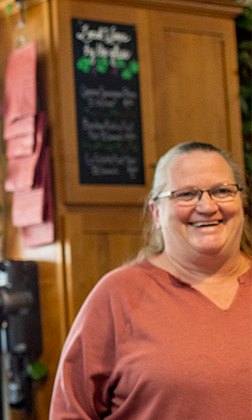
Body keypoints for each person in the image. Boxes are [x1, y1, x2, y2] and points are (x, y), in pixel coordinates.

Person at [49, 141, 252, 419]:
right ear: (156, 213)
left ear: (241, 202)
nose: (207, 206)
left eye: (222, 191)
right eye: (186, 194)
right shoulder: (118, 295)